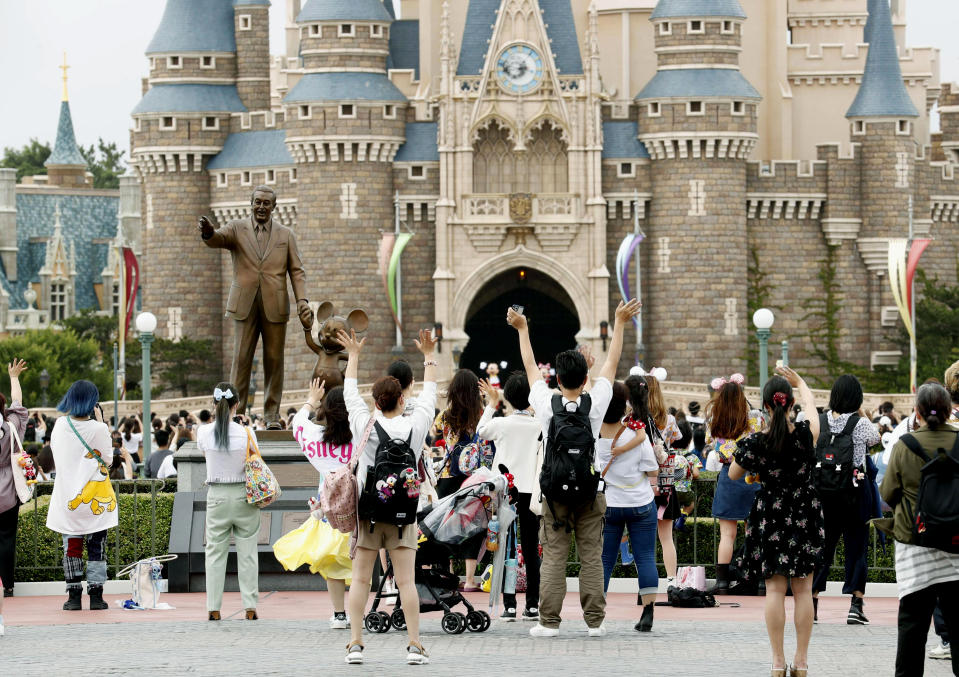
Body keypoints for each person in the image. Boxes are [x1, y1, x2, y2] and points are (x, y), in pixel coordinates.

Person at [509, 298, 641, 638]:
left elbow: (529, 366)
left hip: (554, 494)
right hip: (590, 491)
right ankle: (595, 623)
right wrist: (620, 322)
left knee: (553, 557)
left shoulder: (544, 402)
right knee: (591, 557)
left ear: (556, 377)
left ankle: (548, 623)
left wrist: (523, 330)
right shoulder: (596, 401)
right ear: (585, 378)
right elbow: (612, 363)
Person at [340, 327, 437, 666]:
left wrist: (353, 355)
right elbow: (431, 396)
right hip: (403, 515)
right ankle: (414, 645)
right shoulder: (416, 425)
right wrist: (428, 356)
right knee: (407, 582)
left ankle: (355, 643)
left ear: (376, 401)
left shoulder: (364, 425)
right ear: (401, 399)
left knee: (361, 580)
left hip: (368, 513)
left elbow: (349, 393)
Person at [728, 367, 822, 677]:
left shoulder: (757, 441)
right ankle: (803, 660)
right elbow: (813, 412)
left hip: (770, 514)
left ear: (766, 406)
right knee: (804, 591)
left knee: (774, 591)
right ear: (790, 402)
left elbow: (733, 474)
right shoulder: (806, 435)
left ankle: (778, 661)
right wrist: (802, 382)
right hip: (804, 513)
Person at [198, 186, 314, 427]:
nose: (261, 207)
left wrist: (302, 300)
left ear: (274, 207)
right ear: (250, 204)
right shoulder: (236, 228)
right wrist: (209, 233)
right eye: (257, 202)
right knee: (241, 358)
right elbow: (218, 239)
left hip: (276, 304)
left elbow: (296, 270)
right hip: (245, 304)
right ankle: (233, 414)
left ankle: (272, 415)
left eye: (266, 203)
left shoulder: (286, 235)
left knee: (274, 360)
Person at [877, 382, 959, 677]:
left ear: (917, 412)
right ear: (950, 410)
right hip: (956, 547)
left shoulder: (905, 445)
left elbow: (887, 494)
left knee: (912, 626)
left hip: (914, 546)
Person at [275, 378, 354, 629]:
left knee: (332, 563)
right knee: (361, 564)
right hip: (359, 510)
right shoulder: (362, 438)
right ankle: (363, 612)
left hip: (329, 510)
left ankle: (339, 614)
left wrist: (311, 400)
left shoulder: (315, 440)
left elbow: (297, 422)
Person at [811, 374, 880, 625]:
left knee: (822, 549)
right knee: (856, 549)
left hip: (825, 493)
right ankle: (855, 605)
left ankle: (813, 601)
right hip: (854, 492)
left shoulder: (819, 421)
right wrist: (861, 412)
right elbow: (876, 439)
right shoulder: (861, 424)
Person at [477, 372, 542, 622]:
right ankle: (533, 605)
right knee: (531, 547)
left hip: (505, 493)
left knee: (505, 547)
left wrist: (492, 404)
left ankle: (510, 604)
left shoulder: (502, 424)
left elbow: (481, 430)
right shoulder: (538, 425)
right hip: (530, 493)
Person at [597, 378, 660, 632]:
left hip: (609, 503)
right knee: (645, 557)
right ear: (625, 404)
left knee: (604, 560)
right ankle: (648, 612)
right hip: (640, 502)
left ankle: (596, 612)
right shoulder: (636, 432)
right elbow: (652, 470)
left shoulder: (594, 434)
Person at [47, 380, 115, 612]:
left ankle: (73, 595)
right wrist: (102, 423)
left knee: (72, 547)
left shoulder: (59, 425)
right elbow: (108, 460)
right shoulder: (99, 429)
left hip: (68, 498)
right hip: (95, 497)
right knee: (97, 547)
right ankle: (96, 595)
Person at [197, 383, 260, 622]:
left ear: (213, 405)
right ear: (237, 405)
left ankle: (213, 607)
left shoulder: (203, 432)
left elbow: (207, 455)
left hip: (217, 495)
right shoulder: (247, 433)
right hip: (244, 494)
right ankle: (250, 606)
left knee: (214, 552)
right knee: (247, 553)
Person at [707, 374, 764, 593]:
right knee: (755, 533)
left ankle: (722, 582)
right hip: (753, 477)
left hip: (728, 478)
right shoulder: (755, 419)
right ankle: (759, 581)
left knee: (727, 536)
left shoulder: (716, 420)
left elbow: (717, 451)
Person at [433, 369, 485, 591]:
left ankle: (448, 575)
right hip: (472, 477)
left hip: (447, 475)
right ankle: (471, 579)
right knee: (473, 525)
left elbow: (436, 432)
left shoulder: (445, 415)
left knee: (444, 524)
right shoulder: (480, 413)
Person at [646, 371, 683, 583]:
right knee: (666, 538)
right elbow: (678, 437)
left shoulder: (635, 419)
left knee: (644, 538)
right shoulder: (668, 419)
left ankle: (648, 580)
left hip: (642, 482)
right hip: (665, 482)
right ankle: (672, 579)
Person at [0, 359, 29, 607]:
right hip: (9, 489)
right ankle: (8, 584)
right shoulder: (11, 426)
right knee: (7, 538)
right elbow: (17, 405)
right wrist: (14, 378)